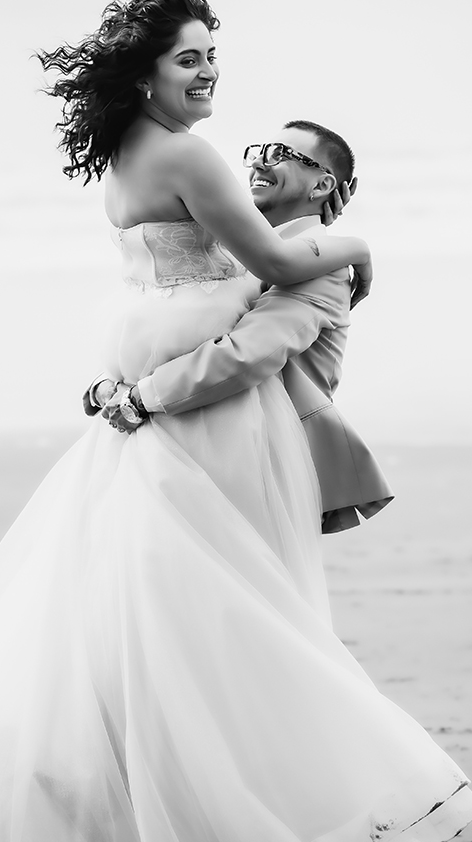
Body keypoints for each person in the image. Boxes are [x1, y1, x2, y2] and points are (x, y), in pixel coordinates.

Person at [0, 0, 472, 842]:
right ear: (145, 72)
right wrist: (362, 240)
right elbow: (257, 264)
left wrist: (137, 385)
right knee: (206, 638)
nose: (209, 73)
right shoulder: (194, 163)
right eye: (189, 58)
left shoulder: (138, 161)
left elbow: (247, 305)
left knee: (180, 631)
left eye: (213, 56)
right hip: (191, 432)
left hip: (187, 428)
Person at [90, 118, 394, 535]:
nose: (260, 164)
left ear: (322, 186)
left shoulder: (323, 270)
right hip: (206, 435)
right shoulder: (242, 252)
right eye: (259, 151)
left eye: (283, 155)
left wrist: (139, 396)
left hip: (261, 459)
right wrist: (116, 380)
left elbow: (247, 353)